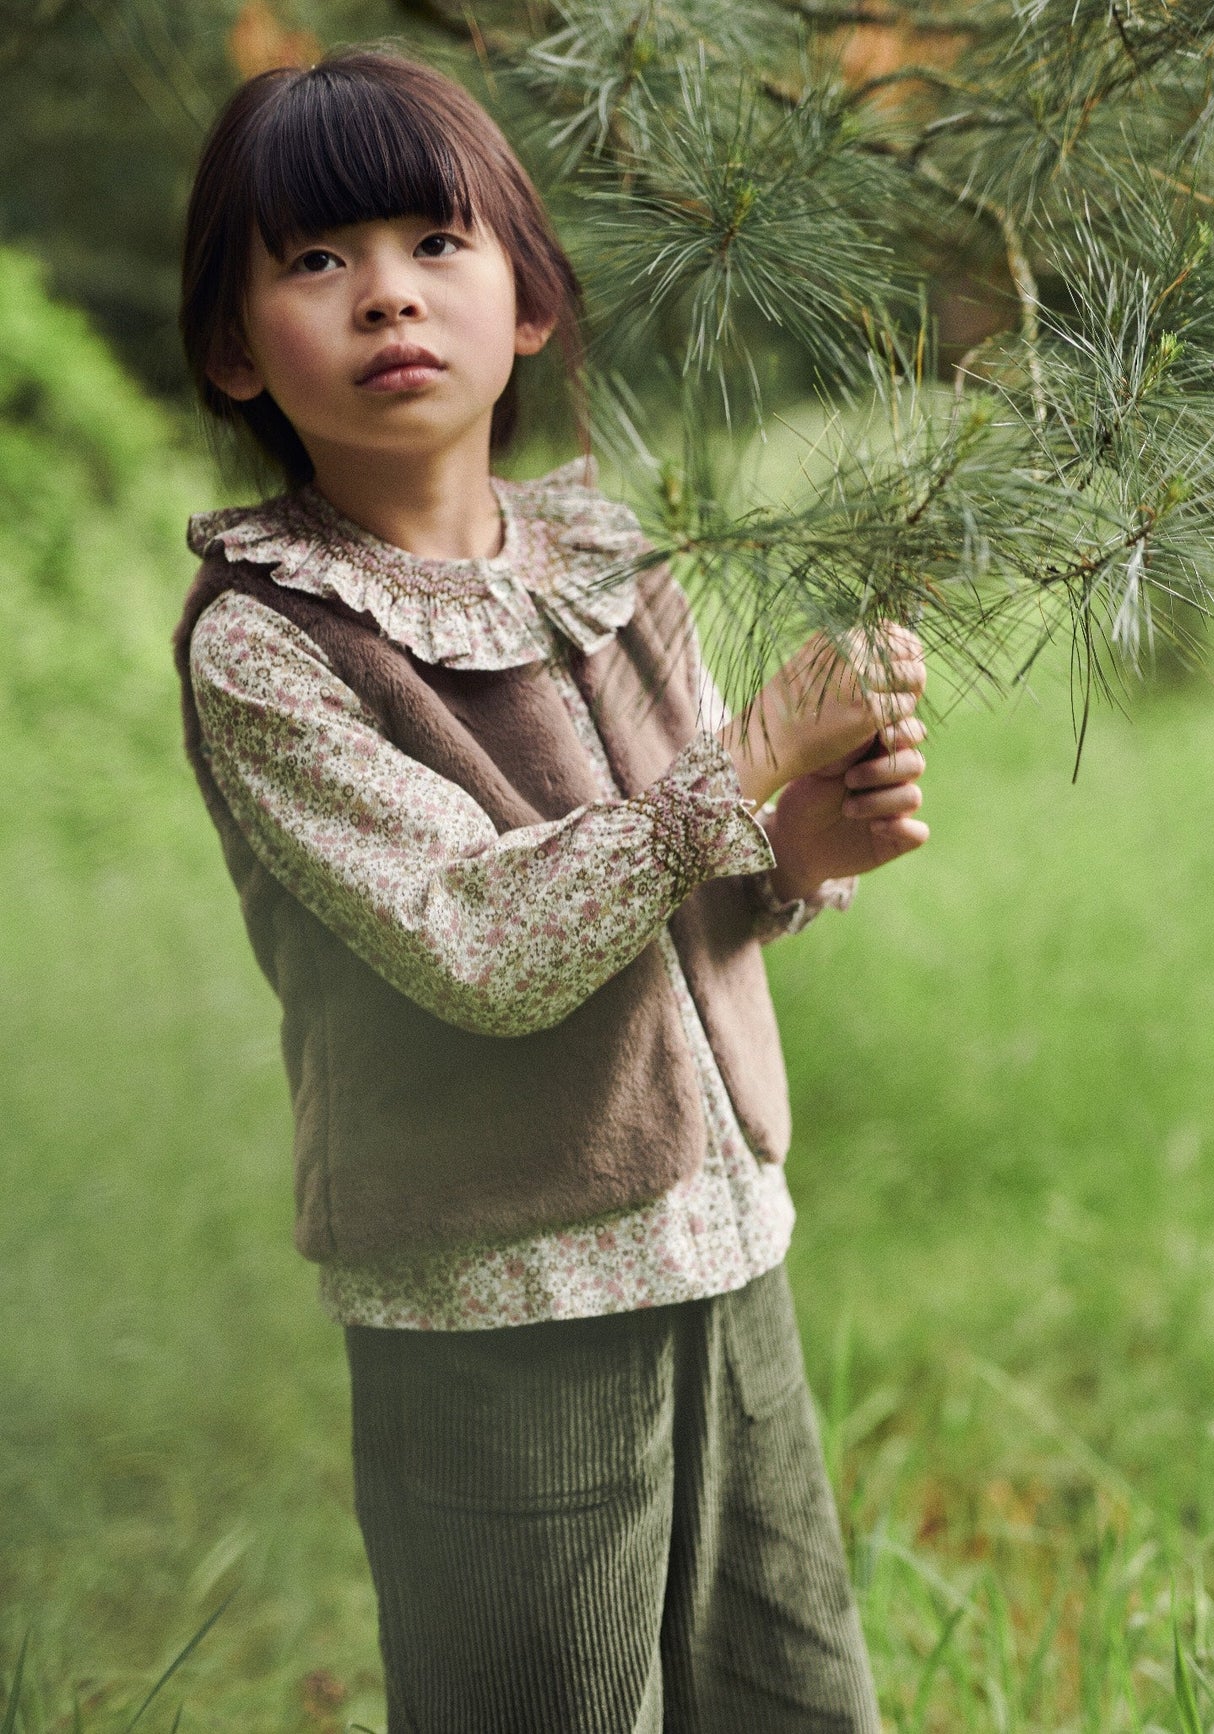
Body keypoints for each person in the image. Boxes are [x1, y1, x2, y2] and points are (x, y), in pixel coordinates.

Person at [173, 48, 928, 1734]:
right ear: (236, 348)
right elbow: (482, 942)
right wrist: (737, 774)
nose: (385, 295)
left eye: (437, 242)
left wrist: (797, 852)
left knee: (784, 1693)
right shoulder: (272, 644)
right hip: (492, 1299)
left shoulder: (613, 562)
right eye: (314, 260)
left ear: (526, 303)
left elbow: (677, 888)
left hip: (726, 1245)